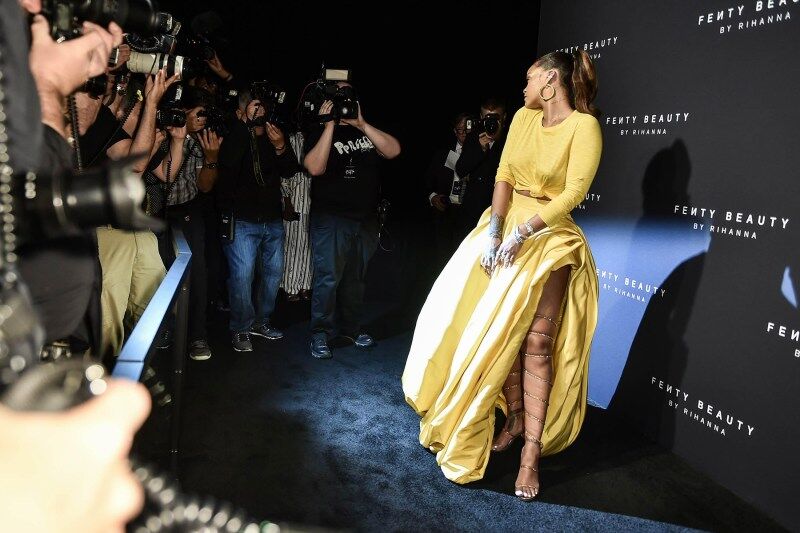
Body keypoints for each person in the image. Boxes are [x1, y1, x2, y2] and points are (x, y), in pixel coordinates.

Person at [402, 50, 602, 500]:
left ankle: (531, 452)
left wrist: (525, 232)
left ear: (551, 80)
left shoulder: (583, 126)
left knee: (536, 341)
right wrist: (495, 234)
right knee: (496, 333)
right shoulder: (523, 119)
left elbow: (573, 192)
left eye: (530, 79)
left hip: (550, 236)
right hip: (504, 225)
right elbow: (505, 173)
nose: (524, 87)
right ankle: (512, 416)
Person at [304, 84, 401, 359]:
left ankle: (351, 328)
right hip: (332, 218)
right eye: (339, 99)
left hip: (365, 219)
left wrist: (362, 123)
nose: (344, 103)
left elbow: (393, 150)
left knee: (356, 279)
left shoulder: (366, 129)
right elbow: (314, 167)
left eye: (349, 97)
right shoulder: (320, 130)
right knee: (328, 278)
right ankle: (320, 333)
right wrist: (328, 126)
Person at [217, 91, 298, 352]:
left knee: (273, 275)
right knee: (242, 276)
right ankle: (240, 328)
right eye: (255, 107)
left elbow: (290, 169)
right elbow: (227, 166)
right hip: (242, 221)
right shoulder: (233, 137)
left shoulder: (273, 135)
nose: (261, 112)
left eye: (263, 107)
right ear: (241, 112)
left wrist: (280, 146)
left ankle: (261, 322)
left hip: (272, 219)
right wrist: (245, 127)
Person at [455, 97, 508, 239]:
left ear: (503, 118)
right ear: (481, 117)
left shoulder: (511, 139)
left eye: (495, 118)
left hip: (498, 209)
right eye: (486, 118)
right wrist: (480, 149)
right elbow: (460, 169)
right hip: (473, 209)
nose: (490, 123)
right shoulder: (474, 137)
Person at [426, 112, 470, 265]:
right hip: (445, 210)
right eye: (460, 130)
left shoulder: (481, 152)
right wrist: (432, 196)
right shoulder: (443, 152)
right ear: (454, 131)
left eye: (467, 129)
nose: (463, 134)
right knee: (443, 259)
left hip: (468, 214)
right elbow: (428, 180)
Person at [282, 130, 314, 302]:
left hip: (314, 202)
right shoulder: (291, 139)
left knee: (309, 247)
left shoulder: (318, 136)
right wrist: (287, 202)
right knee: (293, 246)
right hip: (295, 200)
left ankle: (305, 285)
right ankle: (291, 286)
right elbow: (284, 174)